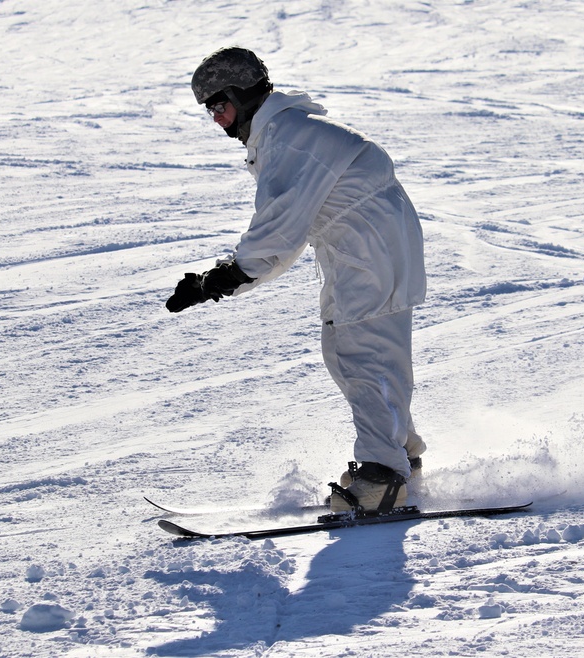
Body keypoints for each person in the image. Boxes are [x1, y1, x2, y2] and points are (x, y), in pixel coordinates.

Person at [166, 47, 427, 514]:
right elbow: (285, 237)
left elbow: (277, 233)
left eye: (219, 107)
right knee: (349, 355)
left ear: (242, 97)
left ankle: (383, 477)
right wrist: (230, 275)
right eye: (210, 112)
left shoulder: (290, 140)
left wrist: (221, 278)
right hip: (361, 252)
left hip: (368, 254)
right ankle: (396, 454)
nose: (218, 122)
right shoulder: (288, 135)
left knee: (364, 357)